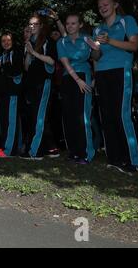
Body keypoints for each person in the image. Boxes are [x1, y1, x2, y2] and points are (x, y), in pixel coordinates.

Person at [91, 0, 138, 172]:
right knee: (107, 117)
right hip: (102, 74)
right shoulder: (97, 29)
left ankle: (132, 161)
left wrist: (110, 40)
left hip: (121, 71)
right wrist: (95, 50)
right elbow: (96, 57)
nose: (103, 8)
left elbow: (134, 46)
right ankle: (114, 159)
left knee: (122, 115)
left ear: (115, 5)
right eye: (100, 6)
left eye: (106, 4)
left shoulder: (126, 21)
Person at [57, 13, 95, 164]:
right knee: (69, 116)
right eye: (68, 23)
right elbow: (65, 63)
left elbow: (97, 57)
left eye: (74, 23)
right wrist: (77, 80)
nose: (70, 26)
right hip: (69, 78)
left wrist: (94, 79)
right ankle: (73, 152)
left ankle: (86, 153)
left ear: (80, 25)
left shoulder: (87, 39)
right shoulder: (62, 42)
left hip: (84, 77)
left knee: (82, 116)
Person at [20, 14, 59, 160]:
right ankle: (44, 148)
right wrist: (28, 53)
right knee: (33, 116)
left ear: (41, 26)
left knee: (40, 117)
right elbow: (26, 66)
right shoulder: (29, 41)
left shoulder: (48, 41)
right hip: (31, 83)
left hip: (44, 83)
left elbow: (51, 61)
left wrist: (34, 52)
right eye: (30, 24)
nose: (32, 27)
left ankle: (36, 151)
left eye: (35, 24)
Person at [0, 33, 24, 158]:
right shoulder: (3, 55)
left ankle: (9, 150)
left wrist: (2, 67)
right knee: (6, 120)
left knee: (11, 121)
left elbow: (17, 70)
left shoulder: (17, 52)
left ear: (13, 41)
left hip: (13, 92)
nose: (6, 43)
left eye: (8, 40)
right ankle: (10, 145)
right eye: (3, 41)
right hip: (4, 92)